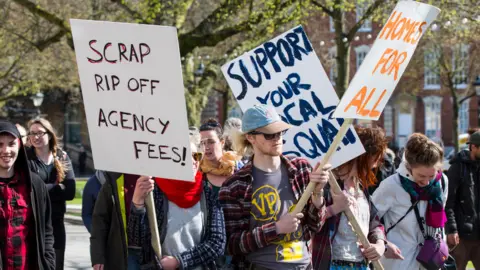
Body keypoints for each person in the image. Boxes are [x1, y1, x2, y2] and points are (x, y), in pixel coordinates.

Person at [219, 104, 330, 269]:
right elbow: (231, 244)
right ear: (251, 137)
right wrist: (276, 228)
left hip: (304, 265)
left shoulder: (301, 169)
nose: (277, 138)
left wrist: (317, 194)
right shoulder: (234, 185)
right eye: (269, 134)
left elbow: (316, 226)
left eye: (279, 132)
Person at [128, 135, 226, 269]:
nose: (193, 161)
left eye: (196, 156)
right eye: (186, 155)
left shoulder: (207, 194)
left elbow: (217, 243)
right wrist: (137, 202)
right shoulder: (155, 191)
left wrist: (179, 261)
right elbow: (138, 239)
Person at [311, 126, 387, 270]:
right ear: (364, 156)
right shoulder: (327, 182)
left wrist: (379, 244)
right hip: (331, 264)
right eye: (376, 157)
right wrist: (334, 209)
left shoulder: (360, 186)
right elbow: (310, 223)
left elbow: (375, 222)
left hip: (361, 265)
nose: (377, 163)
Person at [372, 133, 448, 270]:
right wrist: (383, 243)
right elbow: (370, 219)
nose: (426, 182)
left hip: (430, 261)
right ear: (409, 167)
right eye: (421, 176)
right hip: (399, 261)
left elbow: (440, 220)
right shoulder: (391, 185)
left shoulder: (442, 181)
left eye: (431, 175)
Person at [0, 120, 55, 269]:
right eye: (0, 144)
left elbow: (47, 230)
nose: (6, 150)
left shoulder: (34, 185)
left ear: (19, 145)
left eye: (11, 144)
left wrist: (48, 263)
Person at [26, 118, 75, 270]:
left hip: (56, 223)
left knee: (56, 265)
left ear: (49, 134)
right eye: (32, 133)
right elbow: (28, 190)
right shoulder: (26, 158)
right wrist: (56, 187)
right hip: (33, 223)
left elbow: (70, 191)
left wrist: (41, 189)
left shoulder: (62, 157)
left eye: (40, 133)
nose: (36, 137)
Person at [90, 170, 141, 270]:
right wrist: (98, 257)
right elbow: (100, 221)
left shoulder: (158, 180)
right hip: (124, 254)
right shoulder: (113, 180)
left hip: (153, 255)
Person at [446, 130, 480, 269]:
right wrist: (451, 229)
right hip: (461, 237)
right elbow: (448, 202)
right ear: (473, 146)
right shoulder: (457, 168)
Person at [199, 118, 243, 196]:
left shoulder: (238, 167)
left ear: (222, 143)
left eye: (211, 142)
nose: (206, 147)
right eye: (202, 143)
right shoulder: (198, 171)